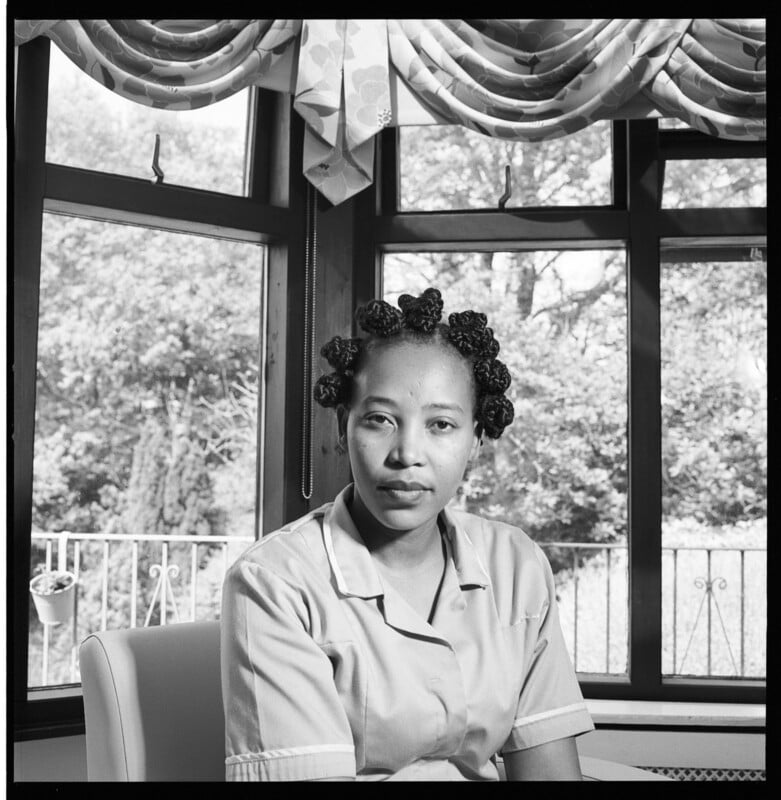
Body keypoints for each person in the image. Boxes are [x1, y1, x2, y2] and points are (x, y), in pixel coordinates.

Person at [220, 288, 594, 781]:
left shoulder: (515, 563)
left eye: (441, 424)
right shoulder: (274, 583)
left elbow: (548, 773)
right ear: (341, 425)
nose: (407, 453)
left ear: (476, 439)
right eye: (379, 420)